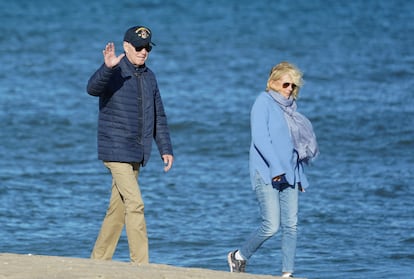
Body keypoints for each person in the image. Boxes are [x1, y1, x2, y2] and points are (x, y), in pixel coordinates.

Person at [86, 25, 174, 264]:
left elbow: (159, 115)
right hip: (115, 149)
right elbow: (91, 89)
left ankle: (98, 260)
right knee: (136, 204)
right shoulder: (113, 70)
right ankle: (141, 265)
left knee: (118, 210)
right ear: (126, 46)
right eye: (138, 47)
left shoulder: (149, 76)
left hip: (137, 151)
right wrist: (107, 67)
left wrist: (165, 148)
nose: (143, 51)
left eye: (147, 48)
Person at [227, 62, 318, 277]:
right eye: (286, 84)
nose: (290, 89)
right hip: (267, 172)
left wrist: (300, 177)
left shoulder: (290, 109)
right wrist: (277, 169)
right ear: (273, 83)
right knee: (271, 225)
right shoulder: (263, 102)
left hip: (290, 175)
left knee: (292, 226)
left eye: (294, 86)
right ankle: (238, 256)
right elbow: (261, 140)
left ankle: (287, 273)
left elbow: (295, 148)